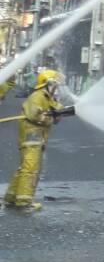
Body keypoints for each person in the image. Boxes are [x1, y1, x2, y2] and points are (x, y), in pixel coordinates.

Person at [4, 54, 77, 212]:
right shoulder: (38, 96)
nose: (55, 88)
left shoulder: (47, 98)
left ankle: (11, 198)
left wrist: (63, 112)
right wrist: (50, 118)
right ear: (47, 84)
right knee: (30, 169)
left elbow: (56, 110)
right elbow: (35, 116)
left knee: (24, 168)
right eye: (54, 85)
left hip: (36, 137)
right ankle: (24, 202)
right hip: (31, 137)